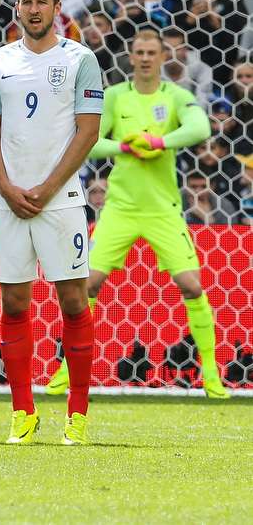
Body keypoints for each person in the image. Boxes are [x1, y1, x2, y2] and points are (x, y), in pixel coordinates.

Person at [45, 29, 231, 400]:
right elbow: (89, 141)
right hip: (120, 208)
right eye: (139, 52)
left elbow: (200, 127)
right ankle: (67, 369)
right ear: (131, 57)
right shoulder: (115, 96)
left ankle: (211, 373)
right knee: (87, 285)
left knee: (192, 286)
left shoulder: (175, 96)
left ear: (163, 57)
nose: (145, 58)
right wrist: (126, 146)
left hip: (163, 210)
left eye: (152, 52)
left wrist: (159, 142)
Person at [0, 0, 103, 446]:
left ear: (58, 9)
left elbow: (87, 132)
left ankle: (77, 415)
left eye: (42, 2)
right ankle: (23, 413)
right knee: (13, 303)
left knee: (73, 302)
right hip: (9, 200)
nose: (33, 9)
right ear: (16, 6)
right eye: (25, 1)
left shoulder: (80, 59)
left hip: (63, 201)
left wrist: (49, 187)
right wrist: (7, 188)